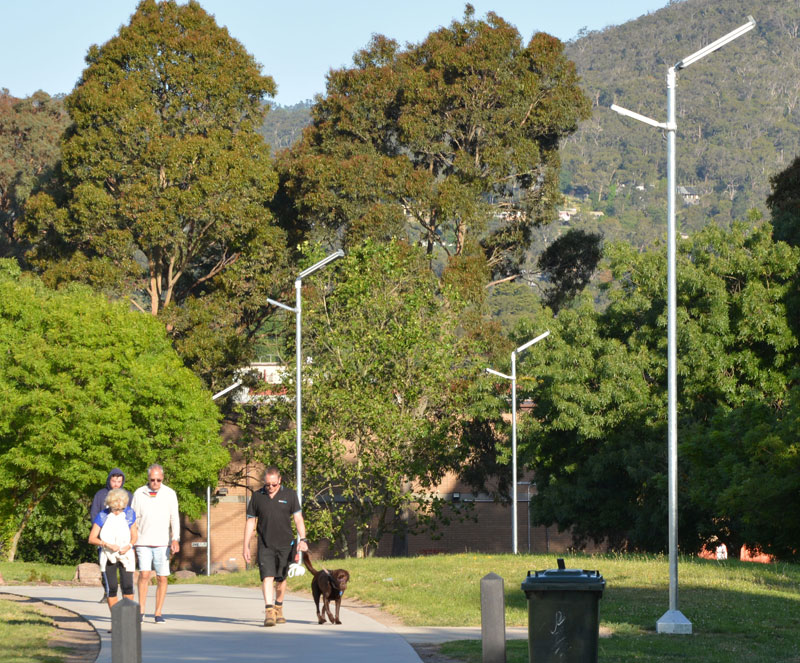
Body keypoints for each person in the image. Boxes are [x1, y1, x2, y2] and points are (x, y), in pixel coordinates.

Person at [243, 466, 308, 627]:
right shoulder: (257, 497)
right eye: (267, 485)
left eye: (273, 484)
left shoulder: (290, 495)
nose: (270, 488)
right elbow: (251, 521)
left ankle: (279, 606)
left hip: (286, 544)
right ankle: (269, 611)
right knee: (267, 577)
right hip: (265, 544)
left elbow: (298, 519)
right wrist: (245, 545)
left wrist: (303, 539)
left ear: (279, 481)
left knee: (281, 579)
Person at [131, 464, 180, 624]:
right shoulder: (139, 493)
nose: (155, 483)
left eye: (158, 480)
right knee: (144, 574)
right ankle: (141, 610)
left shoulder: (169, 494)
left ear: (163, 478)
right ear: (148, 479)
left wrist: (175, 538)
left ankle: (158, 612)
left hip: (162, 542)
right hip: (143, 540)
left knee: (162, 577)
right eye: (152, 479)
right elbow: (133, 518)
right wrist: (131, 539)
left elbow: (174, 517)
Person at [88, 488, 138, 627]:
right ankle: (116, 621)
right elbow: (92, 538)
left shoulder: (129, 514)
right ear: (110, 505)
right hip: (108, 555)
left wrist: (129, 545)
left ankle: (128, 620)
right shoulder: (102, 515)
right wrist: (107, 544)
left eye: (120, 508)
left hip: (125, 554)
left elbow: (134, 535)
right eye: (115, 509)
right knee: (112, 588)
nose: (117, 511)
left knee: (128, 586)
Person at [90, 469, 132, 602]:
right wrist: (101, 537)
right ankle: (108, 591)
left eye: (119, 481)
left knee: (126, 579)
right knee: (107, 570)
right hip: (105, 540)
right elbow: (95, 514)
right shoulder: (101, 495)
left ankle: (126, 601)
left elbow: (132, 520)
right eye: (114, 481)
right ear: (109, 480)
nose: (116, 484)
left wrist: (130, 542)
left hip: (124, 543)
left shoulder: (128, 495)